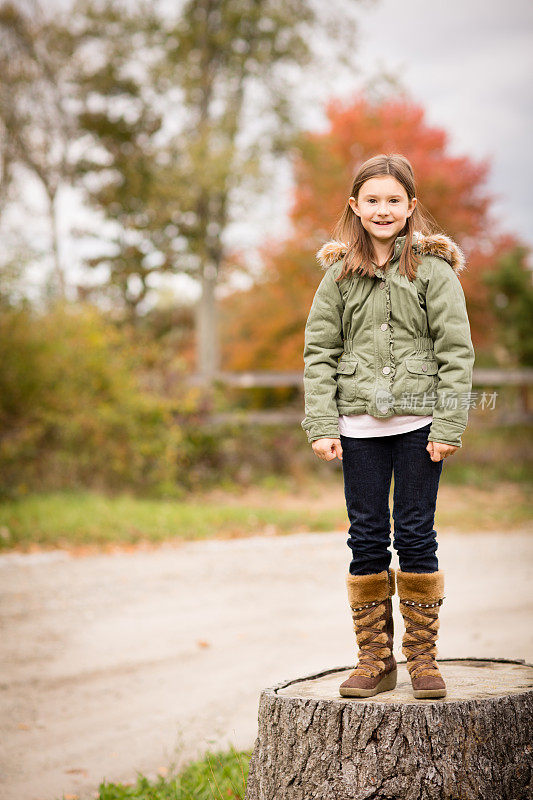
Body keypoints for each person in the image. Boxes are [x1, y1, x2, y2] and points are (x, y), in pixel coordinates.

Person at [301, 153, 475, 700]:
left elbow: (456, 350)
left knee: (417, 533)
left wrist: (448, 423)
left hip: (421, 426)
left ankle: (422, 657)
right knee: (367, 536)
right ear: (355, 206)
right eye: (371, 200)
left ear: (411, 206)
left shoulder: (433, 270)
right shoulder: (338, 276)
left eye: (393, 200)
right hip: (357, 429)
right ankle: (374, 658)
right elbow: (319, 352)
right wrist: (321, 422)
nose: (382, 209)